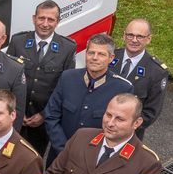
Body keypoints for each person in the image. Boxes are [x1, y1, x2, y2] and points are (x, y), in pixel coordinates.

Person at [44, 33, 133, 162]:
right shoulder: (67, 78)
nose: (94, 58)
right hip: (59, 156)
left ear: (111, 58)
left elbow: (120, 129)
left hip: (93, 161)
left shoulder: (122, 88)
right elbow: (51, 116)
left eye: (101, 54)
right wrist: (64, 149)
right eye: (91, 53)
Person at [7, 0, 77, 155]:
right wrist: (15, 111)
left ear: (58, 22)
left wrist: (44, 115)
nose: (45, 24)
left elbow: (64, 88)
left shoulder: (67, 48)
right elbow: (8, 78)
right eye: (41, 18)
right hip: (14, 116)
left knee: (34, 158)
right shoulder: (18, 41)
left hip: (41, 122)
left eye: (51, 19)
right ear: (34, 18)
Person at [110, 19, 168, 140]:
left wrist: (122, 126)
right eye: (130, 35)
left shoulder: (157, 72)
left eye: (140, 36)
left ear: (149, 39)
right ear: (124, 35)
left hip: (129, 136)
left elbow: (151, 113)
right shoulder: (110, 57)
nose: (134, 40)